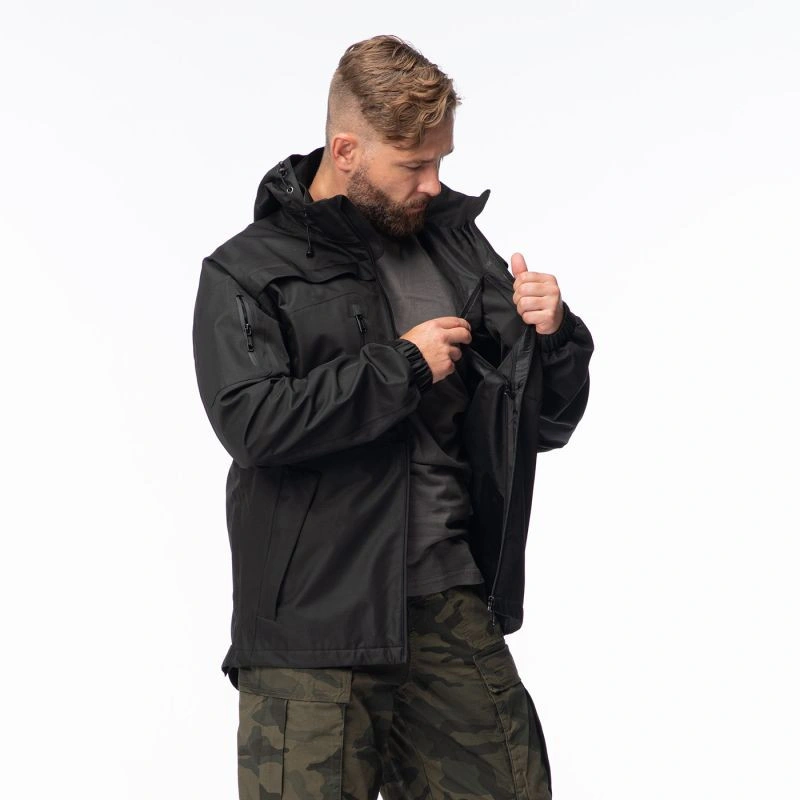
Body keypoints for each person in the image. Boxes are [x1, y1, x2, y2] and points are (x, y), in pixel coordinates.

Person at [192, 34, 594, 800]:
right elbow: (252, 424)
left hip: (447, 600)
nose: (433, 184)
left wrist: (554, 335)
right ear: (346, 150)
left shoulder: (454, 249)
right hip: (313, 627)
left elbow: (543, 421)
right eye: (414, 165)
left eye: (440, 160)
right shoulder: (247, 271)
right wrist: (401, 367)